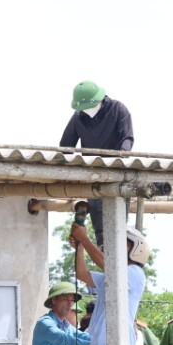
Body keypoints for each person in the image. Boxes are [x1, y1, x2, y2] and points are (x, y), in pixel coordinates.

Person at [59, 80, 135, 247]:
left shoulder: (118, 110)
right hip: (93, 175)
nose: (87, 111)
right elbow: (66, 147)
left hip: (116, 174)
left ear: (99, 100)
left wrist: (121, 158)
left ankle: (118, 253)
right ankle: (103, 251)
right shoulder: (79, 117)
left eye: (89, 107)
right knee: (100, 229)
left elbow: (127, 139)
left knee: (117, 228)